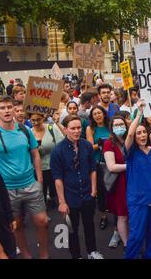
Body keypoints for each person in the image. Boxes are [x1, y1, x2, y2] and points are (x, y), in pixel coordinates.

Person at [0, 95, 49, 259]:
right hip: (7, 189)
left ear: (15, 109)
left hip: (31, 184)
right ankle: (27, 256)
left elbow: (35, 154)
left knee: (42, 221)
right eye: (3, 107)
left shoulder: (24, 130)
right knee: (17, 225)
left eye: (9, 107)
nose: (7, 110)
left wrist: (40, 180)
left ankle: (44, 255)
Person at [50, 115, 104, 259]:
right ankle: (76, 255)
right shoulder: (57, 151)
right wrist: (61, 201)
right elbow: (58, 179)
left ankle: (92, 251)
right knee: (71, 229)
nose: (76, 131)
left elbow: (93, 169)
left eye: (79, 128)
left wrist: (93, 191)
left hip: (87, 193)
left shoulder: (86, 145)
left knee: (89, 225)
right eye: (73, 128)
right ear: (65, 129)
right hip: (70, 196)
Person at [124, 116, 151, 259]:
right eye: (138, 133)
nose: (142, 135)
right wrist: (140, 112)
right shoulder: (130, 153)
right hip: (137, 201)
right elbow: (129, 134)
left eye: (144, 132)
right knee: (136, 235)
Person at [30, 112, 65, 210]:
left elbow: (61, 146)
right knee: (41, 191)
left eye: (38, 119)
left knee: (54, 188)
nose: (36, 122)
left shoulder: (52, 128)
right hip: (37, 168)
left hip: (53, 166)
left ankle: (53, 198)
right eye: (33, 120)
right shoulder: (29, 132)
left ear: (43, 117)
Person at [103, 115, 129, 249]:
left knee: (133, 213)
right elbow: (111, 167)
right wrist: (130, 166)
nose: (119, 127)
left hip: (132, 181)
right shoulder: (109, 143)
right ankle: (126, 244)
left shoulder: (129, 140)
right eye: (116, 125)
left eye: (121, 124)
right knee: (122, 215)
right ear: (111, 128)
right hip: (119, 183)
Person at [86, 106, 111, 230]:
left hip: (111, 162)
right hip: (98, 163)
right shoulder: (90, 129)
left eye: (99, 113)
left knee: (113, 189)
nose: (97, 116)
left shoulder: (110, 125)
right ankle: (103, 216)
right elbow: (90, 148)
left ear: (104, 114)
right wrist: (100, 144)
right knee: (101, 192)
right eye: (94, 114)